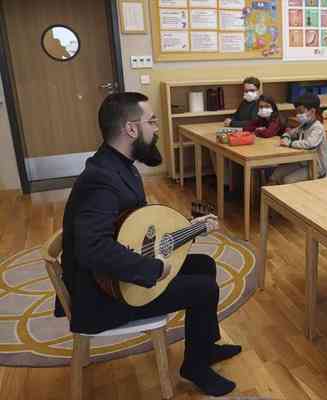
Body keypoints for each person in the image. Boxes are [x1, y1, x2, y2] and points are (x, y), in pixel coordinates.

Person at [59, 93, 239, 396]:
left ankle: (205, 347)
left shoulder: (119, 164)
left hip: (112, 278)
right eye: (152, 121)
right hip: (101, 295)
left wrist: (188, 230)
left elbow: (134, 229)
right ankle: (194, 367)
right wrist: (154, 268)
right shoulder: (100, 179)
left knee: (204, 265)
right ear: (131, 129)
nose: (156, 129)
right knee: (203, 289)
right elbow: (93, 249)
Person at [271, 92, 327, 184]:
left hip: (317, 165)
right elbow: (291, 133)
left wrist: (290, 143)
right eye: (296, 112)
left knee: (288, 180)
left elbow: (310, 144)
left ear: (312, 111)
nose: (298, 115)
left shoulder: (318, 127)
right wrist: (286, 136)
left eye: (301, 112)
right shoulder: (304, 124)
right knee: (276, 174)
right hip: (303, 161)